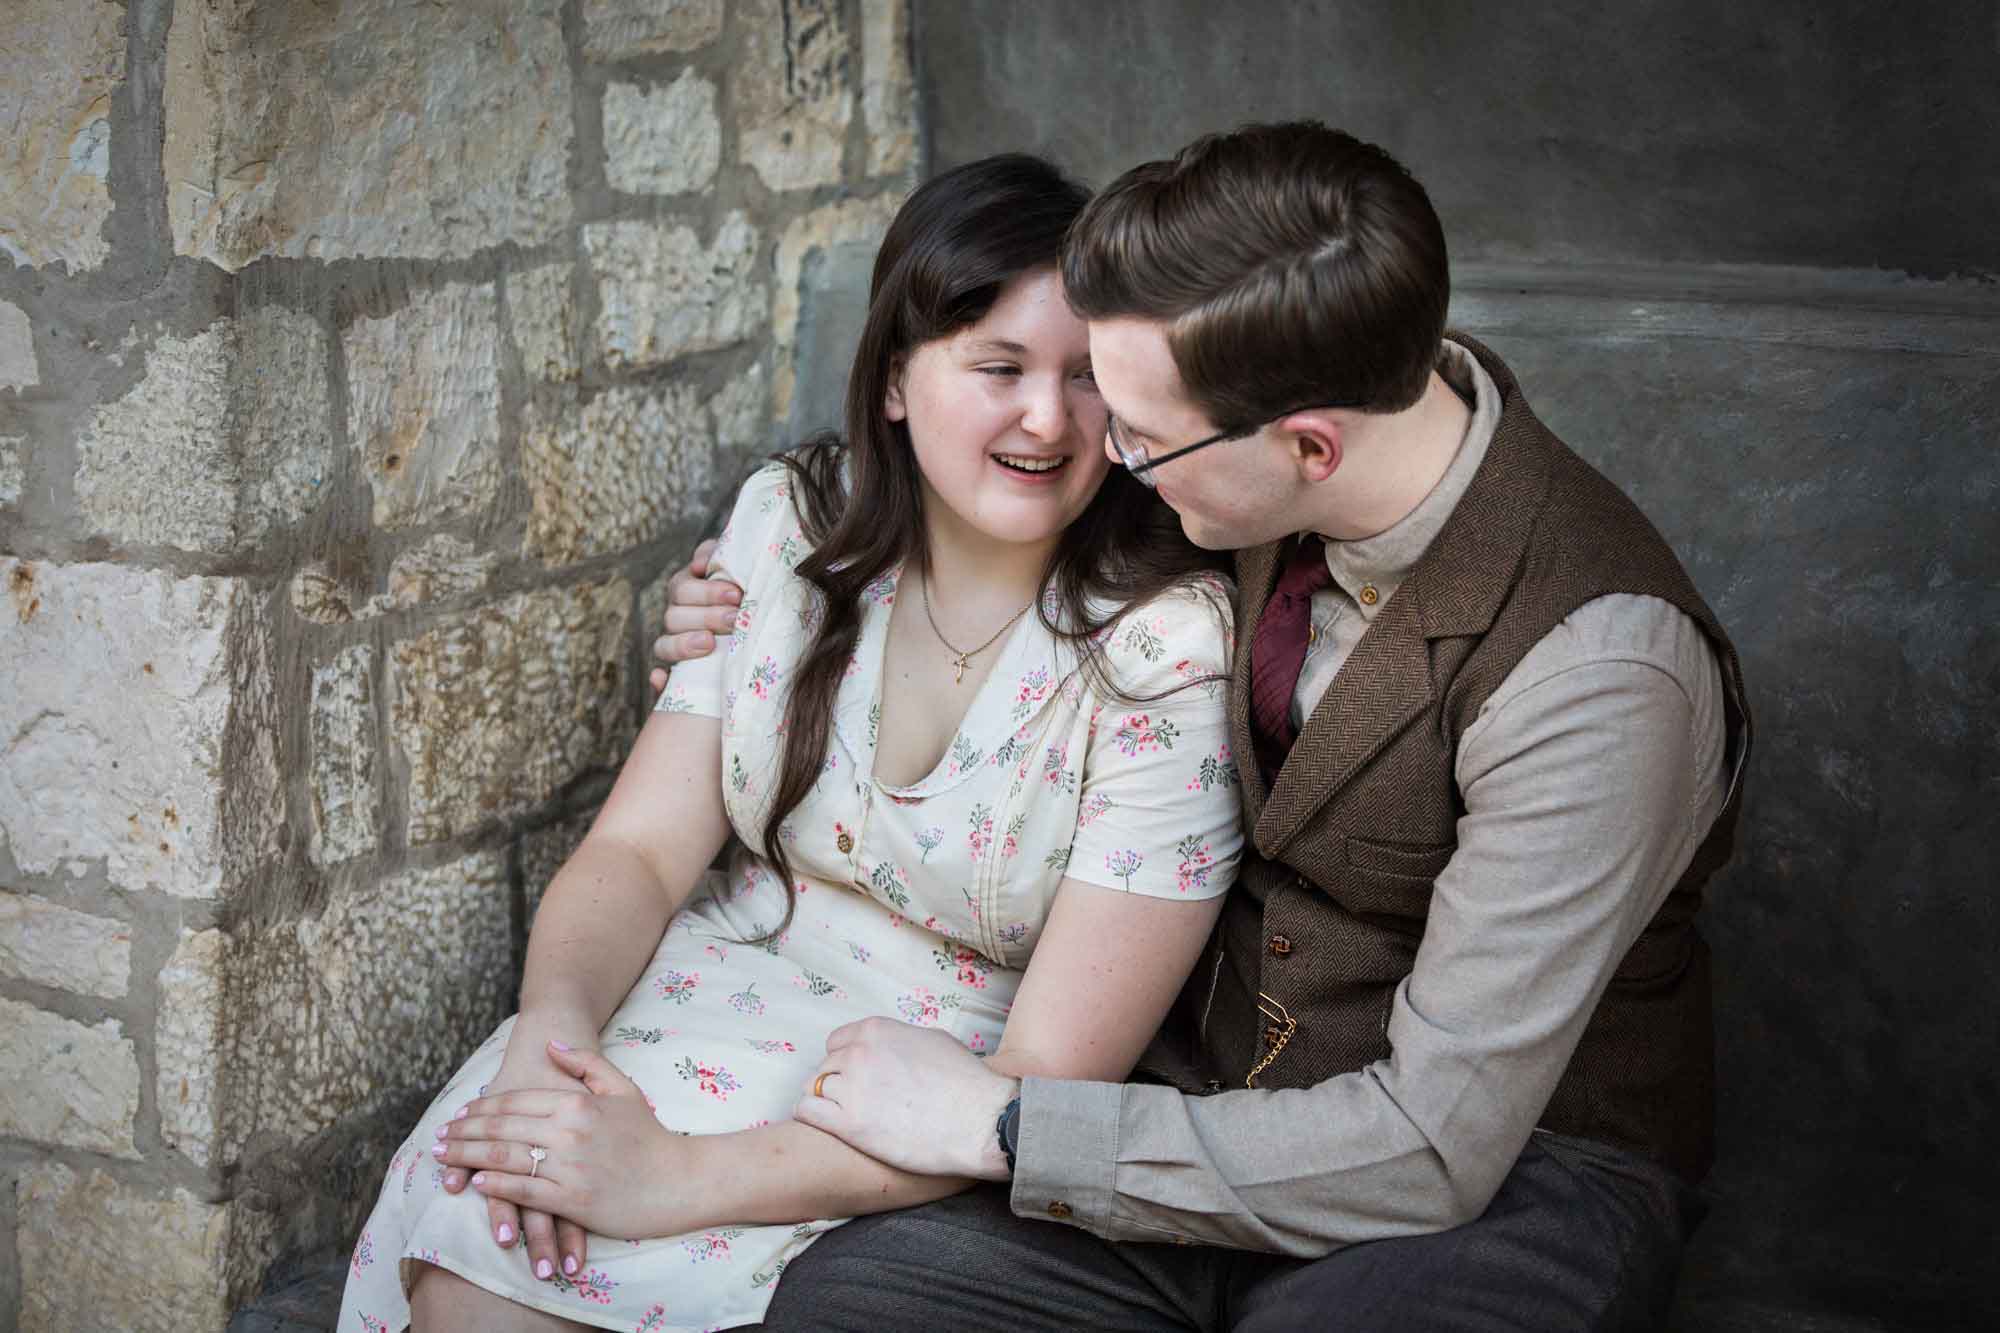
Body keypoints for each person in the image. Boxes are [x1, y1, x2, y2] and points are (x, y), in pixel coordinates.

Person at [652, 122, 1753, 1331]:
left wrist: (999, 1122)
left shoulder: (1595, 675)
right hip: (1194, 1112)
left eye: (1131, 430)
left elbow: (1432, 1149)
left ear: (1309, 447)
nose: (1097, 452)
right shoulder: (1271, 421)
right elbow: (947, 539)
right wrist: (739, 613)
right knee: (850, 1305)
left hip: (1501, 1187)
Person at [337, 153, 1245, 1333]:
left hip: (915, 1102)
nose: (1045, 417)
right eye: (998, 366)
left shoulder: (1162, 652)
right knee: (484, 1238)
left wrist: (667, 1175)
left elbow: (1044, 1087)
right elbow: (643, 856)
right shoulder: (792, 527)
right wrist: (549, 1041)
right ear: (894, 383)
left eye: (1085, 380)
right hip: (704, 984)